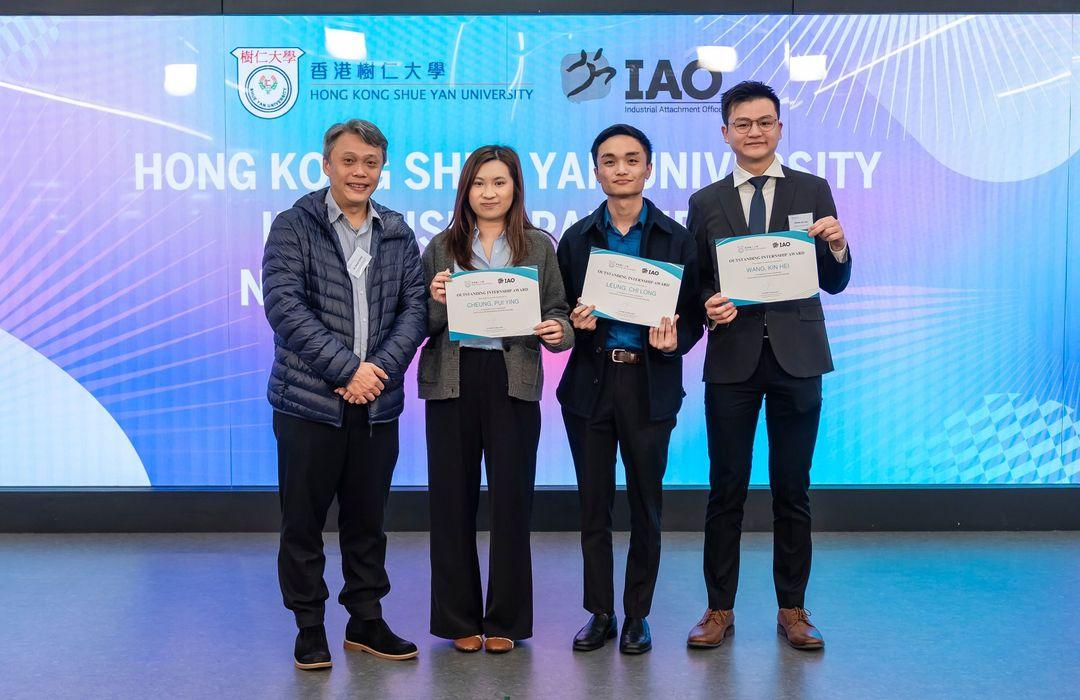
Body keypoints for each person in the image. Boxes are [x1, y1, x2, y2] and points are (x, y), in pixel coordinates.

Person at [686, 81, 851, 651]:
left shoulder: (813, 188)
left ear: (780, 127)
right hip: (732, 358)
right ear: (725, 132)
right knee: (725, 488)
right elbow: (697, 282)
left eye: (764, 122)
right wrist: (707, 304)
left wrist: (837, 247)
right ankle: (718, 609)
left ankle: (793, 609)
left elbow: (833, 281)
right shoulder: (706, 201)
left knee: (793, 488)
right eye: (743, 123)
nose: (754, 132)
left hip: (797, 358)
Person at [262, 119, 427, 670]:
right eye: (349, 161)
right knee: (302, 522)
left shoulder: (397, 231)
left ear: (383, 168)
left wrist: (376, 372)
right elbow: (284, 307)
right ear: (327, 164)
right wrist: (346, 371)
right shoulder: (294, 225)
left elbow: (415, 310)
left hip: (376, 405)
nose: (360, 172)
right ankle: (309, 626)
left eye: (371, 163)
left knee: (367, 522)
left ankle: (365, 620)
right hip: (308, 403)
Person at [556, 124, 703, 654]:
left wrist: (675, 342)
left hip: (649, 384)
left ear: (648, 168)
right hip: (590, 387)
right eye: (610, 160)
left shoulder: (676, 238)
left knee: (647, 505)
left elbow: (694, 317)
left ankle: (638, 614)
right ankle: (600, 612)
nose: (621, 168)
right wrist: (575, 324)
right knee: (593, 506)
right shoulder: (576, 239)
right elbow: (560, 312)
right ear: (595, 171)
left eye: (632, 159)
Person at [420, 145, 572, 654]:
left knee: (512, 502)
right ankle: (458, 619)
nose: (489, 193)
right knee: (451, 502)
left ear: (515, 189)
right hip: (453, 379)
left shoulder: (539, 246)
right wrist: (435, 301)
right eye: (479, 183)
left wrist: (559, 331)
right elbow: (419, 322)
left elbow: (559, 312)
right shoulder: (441, 247)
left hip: (513, 380)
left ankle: (506, 618)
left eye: (499, 182)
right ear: (466, 189)